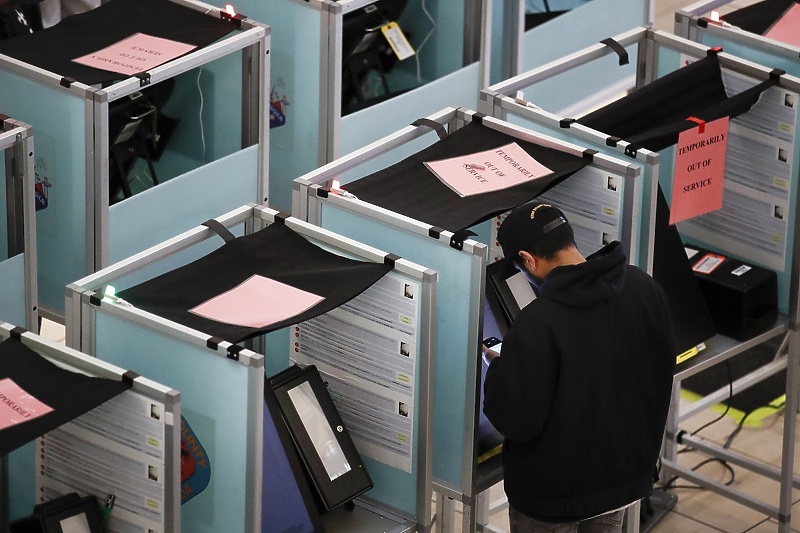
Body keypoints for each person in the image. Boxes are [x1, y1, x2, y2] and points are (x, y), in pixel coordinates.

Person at [483, 202, 676, 533]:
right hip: (621, 480)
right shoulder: (644, 287)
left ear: (528, 260)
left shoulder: (538, 323)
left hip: (551, 498)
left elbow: (516, 420)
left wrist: (503, 370)